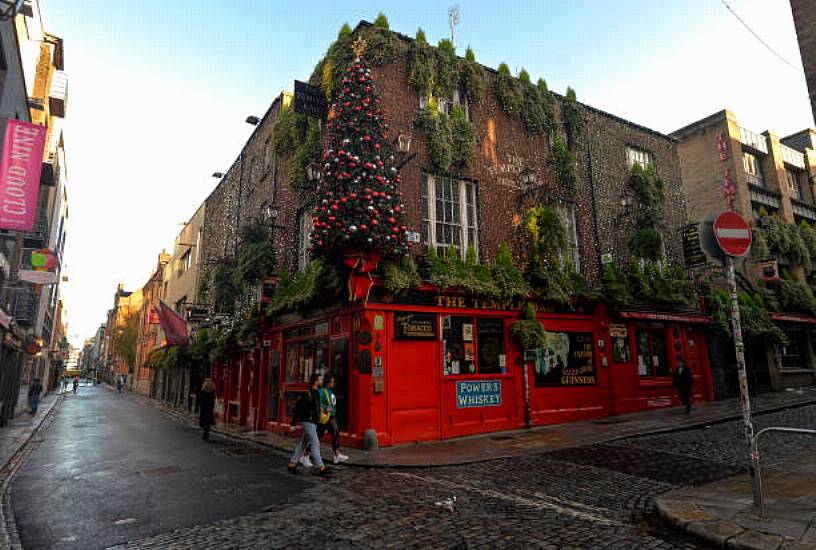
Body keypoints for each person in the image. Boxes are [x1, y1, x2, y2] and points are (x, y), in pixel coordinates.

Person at [287, 373, 330, 476]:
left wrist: (324, 410)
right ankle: (321, 467)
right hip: (308, 421)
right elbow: (299, 408)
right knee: (315, 443)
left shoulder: (316, 393)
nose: (322, 381)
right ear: (315, 381)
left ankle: (292, 463)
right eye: (320, 380)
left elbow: (315, 408)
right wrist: (293, 423)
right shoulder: (308, 394)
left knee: (303, 444)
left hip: (313, 422)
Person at [318, 374, 348, 465]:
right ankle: (336, 455)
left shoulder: (330, 391)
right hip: (327, 416)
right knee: (332, 432)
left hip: (331, 416)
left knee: (332, 433)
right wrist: (326, 408)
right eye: (332, 382)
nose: (333, 383)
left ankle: (336, 455)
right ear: (328, 383)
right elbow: (317, 403)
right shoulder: (322, 391)